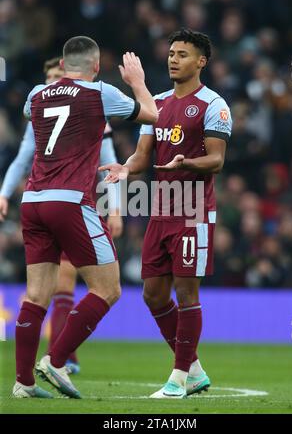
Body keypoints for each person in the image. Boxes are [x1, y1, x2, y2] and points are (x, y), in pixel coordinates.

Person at [13, 35, 158, 399]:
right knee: (108, 289)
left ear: (62, 65)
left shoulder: (35, 94)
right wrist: (138, 83)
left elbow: (33, 116)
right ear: (95, 67)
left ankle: (23, 383)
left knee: (35, 295)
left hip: (32, 201)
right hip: (70, 201)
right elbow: (154, 116)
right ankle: (57, 359)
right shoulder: (99, 92)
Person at [100, 28, 232, 399]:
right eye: (172, 53)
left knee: (187, 293)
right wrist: (126, 169)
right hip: (160, 209)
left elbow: (217, 160)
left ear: (201, 61)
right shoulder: (155, 104)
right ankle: (194, 369)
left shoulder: (213, 104)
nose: (174, 59)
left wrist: (185, 161)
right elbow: (143, 157)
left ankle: (177, 379)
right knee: (153, 295)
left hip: (193, 210)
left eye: (183, 54)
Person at [0, 57, 123, 376]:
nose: (56, 83)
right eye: (51, 77)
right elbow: (23, 157)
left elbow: (110, 160)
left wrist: (116, 207)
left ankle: (56, 361)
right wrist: (3, 192)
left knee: (58, 286)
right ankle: (58, 359)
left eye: (59, 76)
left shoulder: (80, 110)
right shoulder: (42, 116)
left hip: (49, 204)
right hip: (67, 204)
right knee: (49, 290)